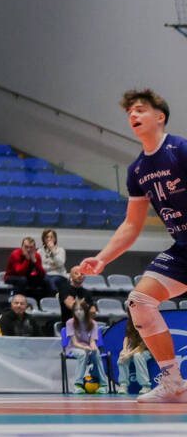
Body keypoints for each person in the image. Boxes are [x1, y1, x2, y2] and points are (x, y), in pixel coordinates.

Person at [76, 88, 187, 402]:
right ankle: (174, 383)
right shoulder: (137, 170)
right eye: (130, 113)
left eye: (140, 109)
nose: (133, 116)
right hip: (183, 248)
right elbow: (131, 224)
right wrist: (102, 258)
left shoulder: (180, 150)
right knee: (140, 301)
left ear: (159, 116)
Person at [66, 299, 105, 389]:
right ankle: (78, 384)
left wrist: (94, 348)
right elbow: (75, 343)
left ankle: (103, 384)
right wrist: (85, 348)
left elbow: (92, 342)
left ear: (85, 311)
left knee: (97, 353)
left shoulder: (93, 324)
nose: (78, 312)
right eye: (76, 310)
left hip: (88, 347)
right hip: (74, 348)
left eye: (81, 309)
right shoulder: (70, 323)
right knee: (82, 354)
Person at [119, 318, 155, 395]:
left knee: (137, 356)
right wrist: (124, 349)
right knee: (122, 357)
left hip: (148, 350)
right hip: (133, 348)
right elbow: (127, 337)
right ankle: (123, 385)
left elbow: (142, 346)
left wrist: (129, 354)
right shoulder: (130, 322)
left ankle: (146, 386)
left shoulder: (147, 323)